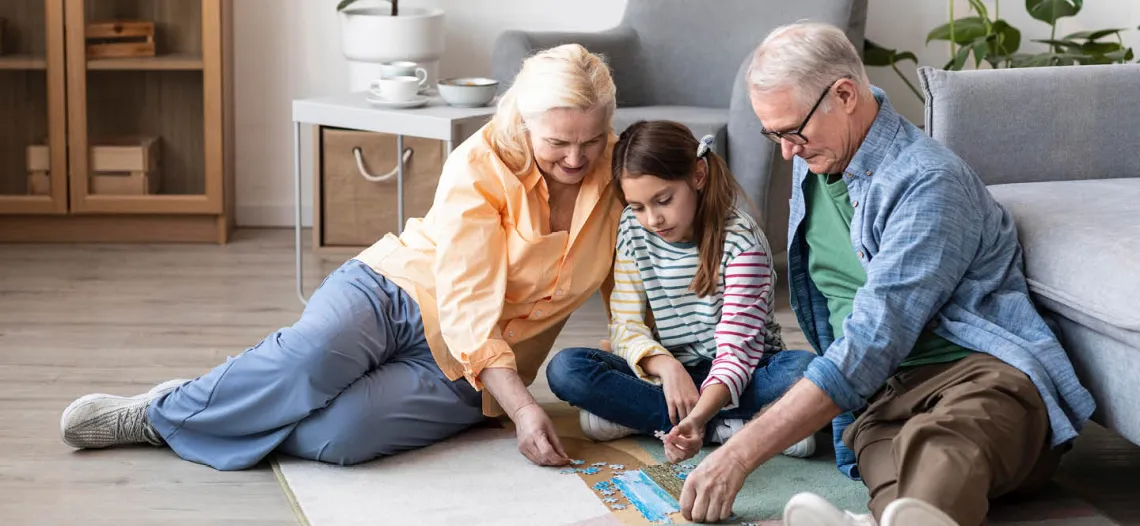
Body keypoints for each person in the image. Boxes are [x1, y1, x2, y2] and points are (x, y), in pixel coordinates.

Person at [58, 43, 625, 471]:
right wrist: (527, 409)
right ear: (524, 122)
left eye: (591, 140)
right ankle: (161, 413)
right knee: (308, 364)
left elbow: (633, 286)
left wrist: (655, 362)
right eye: (557, 142)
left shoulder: (623, 176)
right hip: (396, 292)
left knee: (342, 436)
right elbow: (468, 298)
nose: (576, 158)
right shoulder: (481, 162)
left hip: (469, 372)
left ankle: (233, 398)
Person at [676, 22, 1096, 526]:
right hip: (881, 399)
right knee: (896, 483)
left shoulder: (927, 181)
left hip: (979, 376)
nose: (786, 150)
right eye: (774, 135)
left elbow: (875, 338)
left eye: (791, 132)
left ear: (845, 95)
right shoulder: (818, 152)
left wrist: (740, 453)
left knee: (939, 443)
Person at [545, 120, 817, 464]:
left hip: (743, 372)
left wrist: (699, 416)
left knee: (804, 371)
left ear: (698, 176)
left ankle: (657, 421)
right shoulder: (632, 227)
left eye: (663, 200)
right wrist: (668, 369)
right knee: (566, 368)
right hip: (670, 375)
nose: (653, 219)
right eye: (639, 206)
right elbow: (625, 325)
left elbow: (737, 353)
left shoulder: (742, 242)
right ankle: (745, 427)